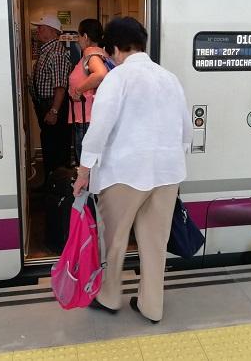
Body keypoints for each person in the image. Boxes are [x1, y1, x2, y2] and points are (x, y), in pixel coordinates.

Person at [72, 17, 193, 324]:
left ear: (113, 47)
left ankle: (110, 297)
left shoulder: (118, 78)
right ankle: (152, 306)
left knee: (114, 239)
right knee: (154, 243)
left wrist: (84, 171)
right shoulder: (169, 78)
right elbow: (186, 132)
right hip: (167, 174)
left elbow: (99, 130)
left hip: (124, 174)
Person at [29, 15, 71, 179]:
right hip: (47, 105)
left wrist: (53, 111)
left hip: (54, 106)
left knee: (56, 148)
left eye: (41, 28)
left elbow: (60, 86)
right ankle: (51, 183)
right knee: (49, 145)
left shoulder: (56, 53)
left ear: (53, 31)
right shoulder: (47, 50)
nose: (37, 30)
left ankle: (58, 188)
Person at [68, 19, 109, 162]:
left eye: (79, 36)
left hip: (86, 120)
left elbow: (100, 74)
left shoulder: (90, 53)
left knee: (86, 164)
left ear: (85, 36)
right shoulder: (103, 54)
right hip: (92, 117)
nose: (78, 40)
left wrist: (78, 90)